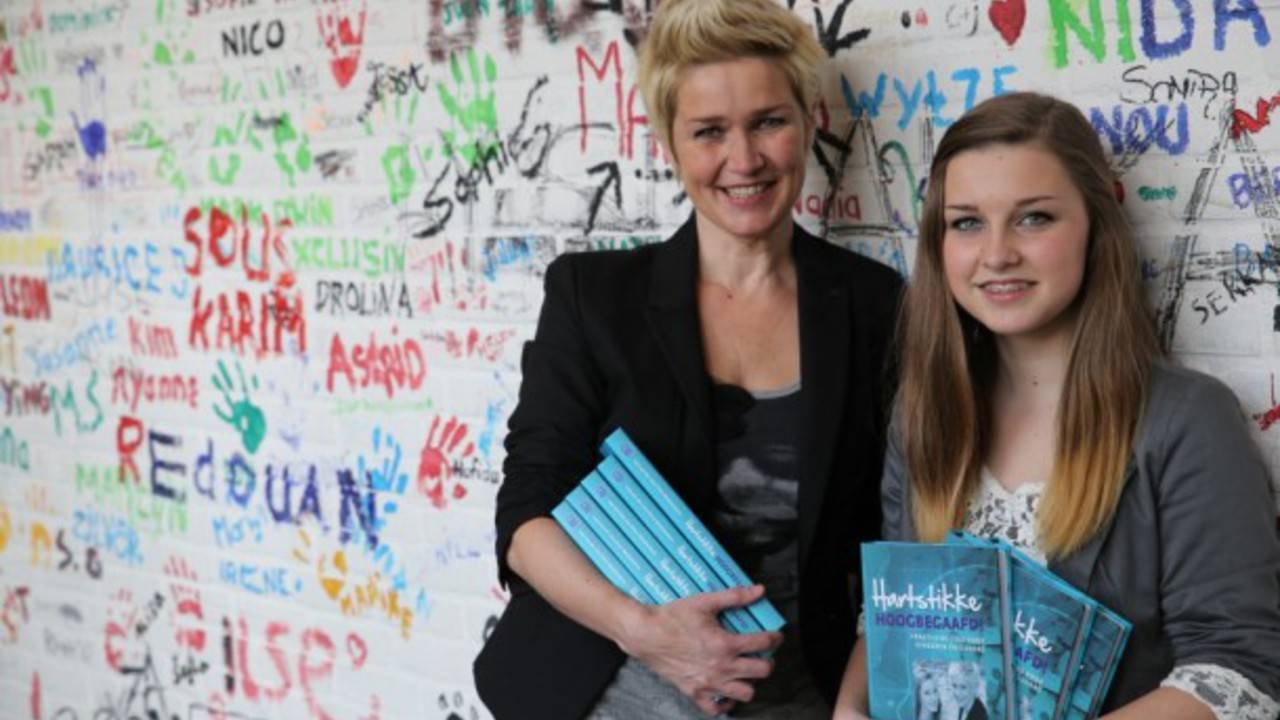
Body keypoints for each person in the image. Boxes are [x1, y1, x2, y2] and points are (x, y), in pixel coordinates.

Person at [472, 0, 903, 718]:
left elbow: (899, 535)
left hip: (802, 700)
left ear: (807, 121)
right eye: (710, 132)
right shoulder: (593, 297)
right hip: (610, 695)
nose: (745, 160)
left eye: (769, 121)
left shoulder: (873, 305)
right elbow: (525, 518)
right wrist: (645, 632)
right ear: (670, 144)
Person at [833, 91, 1280, 720]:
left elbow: (1237, 670)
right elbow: (891, 620)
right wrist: (851, 709)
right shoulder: (923, 415)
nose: (996, 254)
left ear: (1095, 226)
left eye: (1033, 218)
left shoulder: (1186, 421)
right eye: (966, 222)